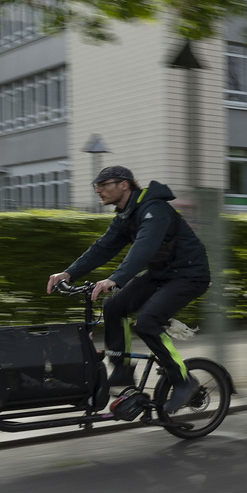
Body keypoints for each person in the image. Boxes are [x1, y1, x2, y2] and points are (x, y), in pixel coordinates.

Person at [46, 165, 211, 414]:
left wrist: (116, 278)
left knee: (147, 322)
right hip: (161, 275)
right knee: (114, 306)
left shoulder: (153, 209)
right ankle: (122, 370)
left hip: (189, 276)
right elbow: (103, 247)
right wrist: (68, 273)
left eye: (103, 185)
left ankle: (184, 380)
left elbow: (144, 247)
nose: (98, 191)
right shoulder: (126, 215)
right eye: (96, 186)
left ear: (124, 184)